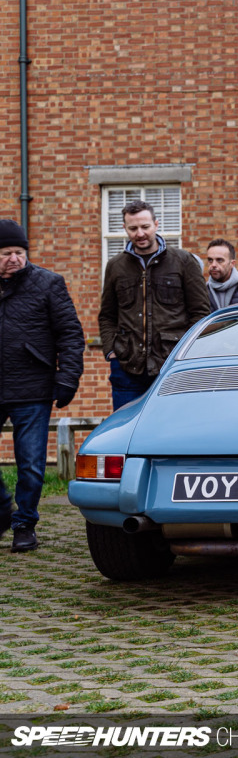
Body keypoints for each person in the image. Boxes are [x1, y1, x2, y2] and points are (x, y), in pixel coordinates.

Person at [0, 219, 85, 552]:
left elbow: (71, 334)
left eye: (19, 252)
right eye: (6, 253)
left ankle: (24, 524)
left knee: (31, 465)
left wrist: (67, 378)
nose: (14, 259)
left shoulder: (48, 284)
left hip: (31, 388)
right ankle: (3, 509)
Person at [99, 200, 210, 410]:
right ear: (125, 228)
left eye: (145, 227)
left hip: (172, 365)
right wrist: (111, 351)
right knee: (126, 432)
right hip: (126, 367)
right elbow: (107, 315)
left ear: (156, 225)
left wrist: (187, 354)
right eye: (133, 228)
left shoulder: (184, 262)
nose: (140, 233)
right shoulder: (115, 266)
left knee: (172, 429)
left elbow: (200, 313)